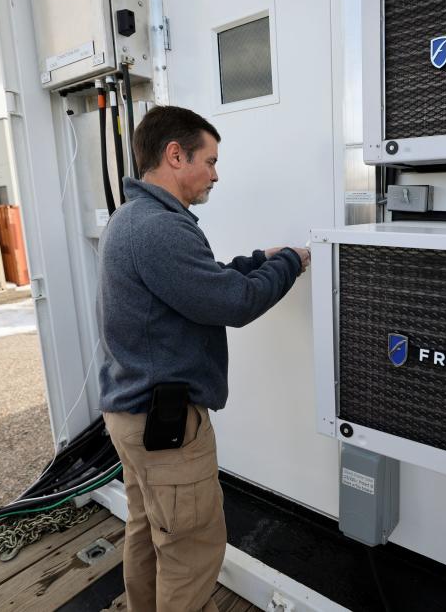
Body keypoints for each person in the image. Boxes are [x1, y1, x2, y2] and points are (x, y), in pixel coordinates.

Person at [96, 105, 309, 611]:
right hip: (163, 427)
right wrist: (291, 263)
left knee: (149, 533)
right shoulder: (160, 229)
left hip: (131, 417)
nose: (216, 173)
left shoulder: (134, 219)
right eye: (209, 161)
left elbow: (201, 280)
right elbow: (232, 303)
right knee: (191, 552)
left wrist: (260, 260)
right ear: (175, 155)